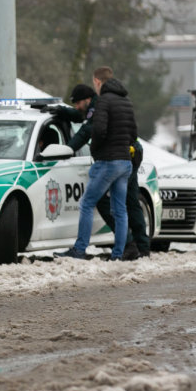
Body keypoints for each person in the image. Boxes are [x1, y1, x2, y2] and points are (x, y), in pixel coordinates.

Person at [50, 79, 150, 260]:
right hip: (125, 162)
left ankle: (79, 250)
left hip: (108, 161)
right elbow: (133, 133)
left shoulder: (103, 101)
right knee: (120, 210)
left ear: (99, 84)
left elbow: (97, 129)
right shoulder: (126, 101)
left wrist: (95, 149)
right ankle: (119, 254)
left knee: (87, 203)